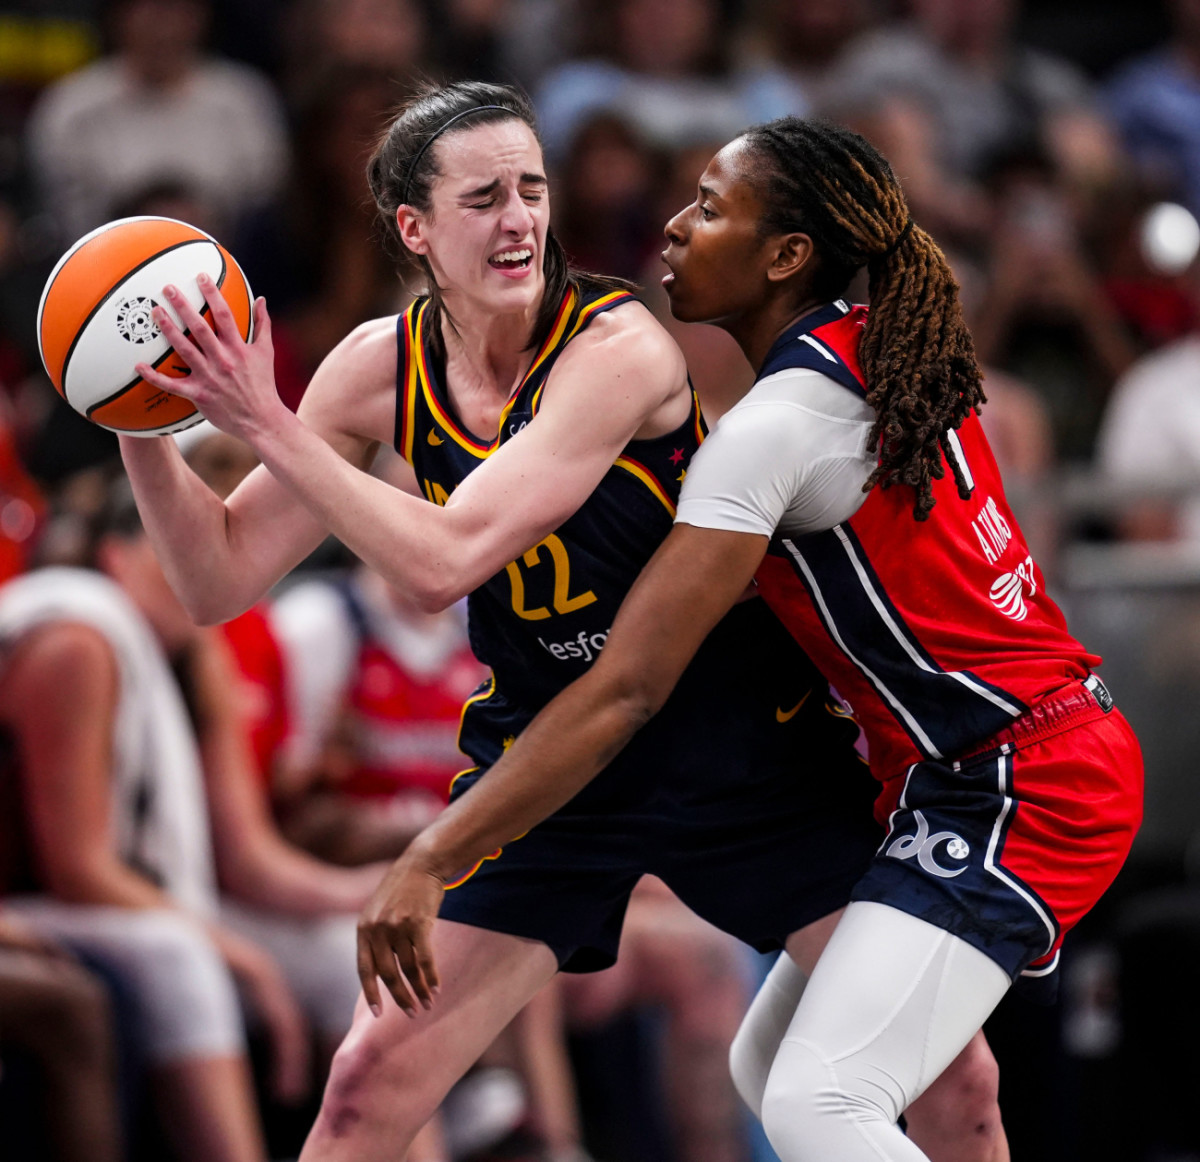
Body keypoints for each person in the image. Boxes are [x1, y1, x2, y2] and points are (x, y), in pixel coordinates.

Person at [118, 81, 1007, 1161]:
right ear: (416, 227)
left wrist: (262, 419)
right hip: (552, 760)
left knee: (952, 1068)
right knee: (367, 1082)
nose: (521, 218)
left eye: (532, 188)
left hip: (734, 743)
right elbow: (214, 577)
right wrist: (138, 417)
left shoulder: (619, 346)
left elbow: (445, 561)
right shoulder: (375, 368)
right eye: (485, 196)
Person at [354, 117, 1144, 1161]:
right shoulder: (886, 353)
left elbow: (628, 684)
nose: (675, 228)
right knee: (776, 1071)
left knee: (821, 1105)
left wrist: (435, 851)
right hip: (985, 762)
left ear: (786, 256)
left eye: (711, 208)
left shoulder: (774, 432)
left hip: (1018, 777)